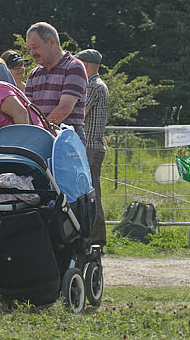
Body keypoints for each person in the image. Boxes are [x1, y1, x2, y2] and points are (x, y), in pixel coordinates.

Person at [24, 22, 89, 130]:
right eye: (29, 49)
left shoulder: (74, 67)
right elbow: (27, 109)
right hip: (41, 136)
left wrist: (40, 132)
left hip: (66, 138)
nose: (32, 53)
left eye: (35, 47)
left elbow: (64, 108)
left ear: (51, 42)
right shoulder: (34, 74)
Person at [77, 49, 111, 247]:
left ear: (86, 65)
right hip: (91, 146)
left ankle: (96, 238)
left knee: (92, 194)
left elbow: (81, 112)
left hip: (90, 147)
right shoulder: (97, 85)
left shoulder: (93, 86)